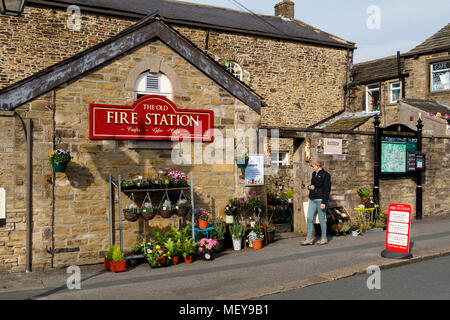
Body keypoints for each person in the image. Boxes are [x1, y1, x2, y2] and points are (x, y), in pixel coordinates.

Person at [302, 157, 331, 246]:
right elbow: (312, 185)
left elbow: (327, 189)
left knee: (322, 219)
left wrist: (324, 202)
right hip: (312, 199)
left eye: (312, 165)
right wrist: (309, 187)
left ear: (318, 165)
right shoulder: (314, 173)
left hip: (321, 200)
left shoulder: (326, 175)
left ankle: (324, 238)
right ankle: (309, 239)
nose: (312, 167)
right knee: (309, 218)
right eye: (311, 166)